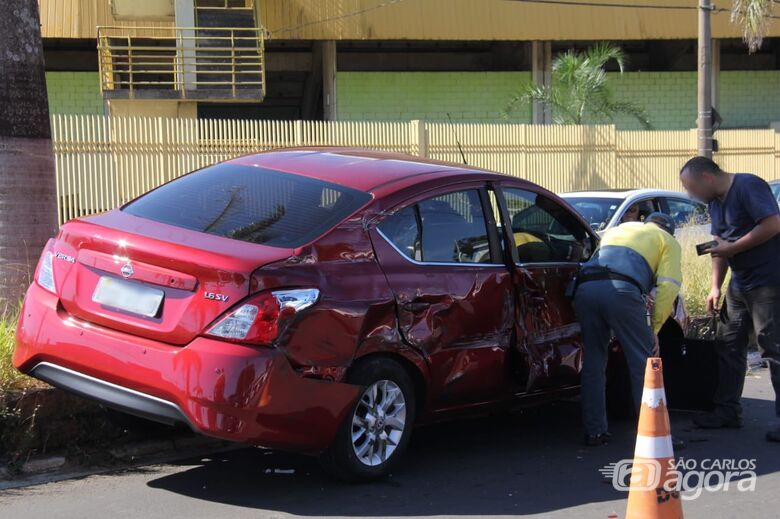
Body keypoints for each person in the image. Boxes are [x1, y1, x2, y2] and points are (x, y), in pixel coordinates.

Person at [679, 156, 780, 442]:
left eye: (691, 187)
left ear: (707, 178)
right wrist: (714, 286)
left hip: (769, 282)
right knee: (727, 344)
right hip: (739, 283)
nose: (690, 194)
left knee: (773, 349)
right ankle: (727, 412)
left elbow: (773, 224)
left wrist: (733, 246)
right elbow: (718, 247)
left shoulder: (748, 185)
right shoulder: (715, 203)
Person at [574, 213, 682, 445]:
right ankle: (655, 437)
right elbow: (668, 286)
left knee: (593, 362)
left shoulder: (618, 231)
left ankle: (595, 431)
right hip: (621, 291)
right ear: (669, 230)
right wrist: (654, 326)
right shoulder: (667, 240)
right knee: (644, 365)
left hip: (585, 290)